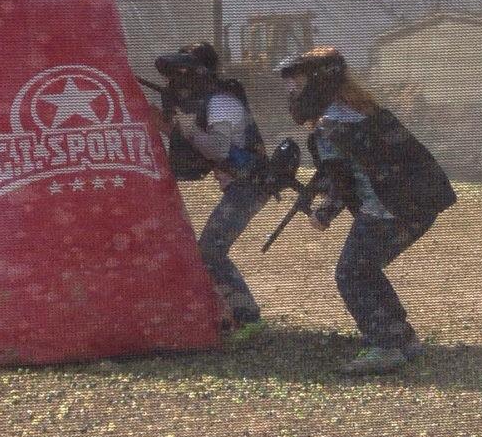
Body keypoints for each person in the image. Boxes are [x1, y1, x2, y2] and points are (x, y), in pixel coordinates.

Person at [276, 45, 456, 375]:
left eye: (296, 84)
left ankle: (385, 346)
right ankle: (402, 340)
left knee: (351, 274)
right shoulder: (359, 109)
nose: (291, 92)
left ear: (317, 83)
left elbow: (343, 181)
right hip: (417, 206)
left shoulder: (333, 123)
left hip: (389, 210)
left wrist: (324, 213)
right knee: (366, 270)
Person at [156, 42, 275, 331]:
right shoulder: (207, 102)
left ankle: (247, 318)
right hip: (241, 184)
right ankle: (231, 313)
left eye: (182, 73)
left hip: (250, 184)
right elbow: (188, 140)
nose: (176, 83)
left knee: (210, 250)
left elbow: (219, 150)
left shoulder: (221, 102)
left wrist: (190, 129)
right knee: (210, 250)